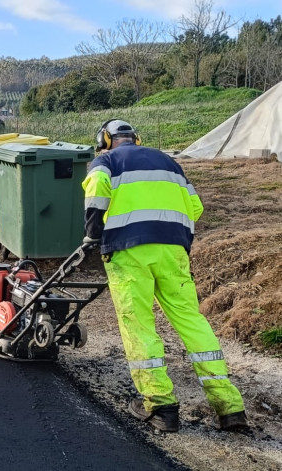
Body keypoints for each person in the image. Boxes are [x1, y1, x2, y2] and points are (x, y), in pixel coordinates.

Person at [82, 119, 247, 433]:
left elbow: (95, 195)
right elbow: (194, 207)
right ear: (136, 139)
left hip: (129, 252)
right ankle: (230, 407)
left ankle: (161, 407)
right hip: (173, 251)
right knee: (191, 319)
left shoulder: (106, 161)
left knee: (139, 323)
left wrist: (94, 235)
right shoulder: (169, 163)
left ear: (105, 140)